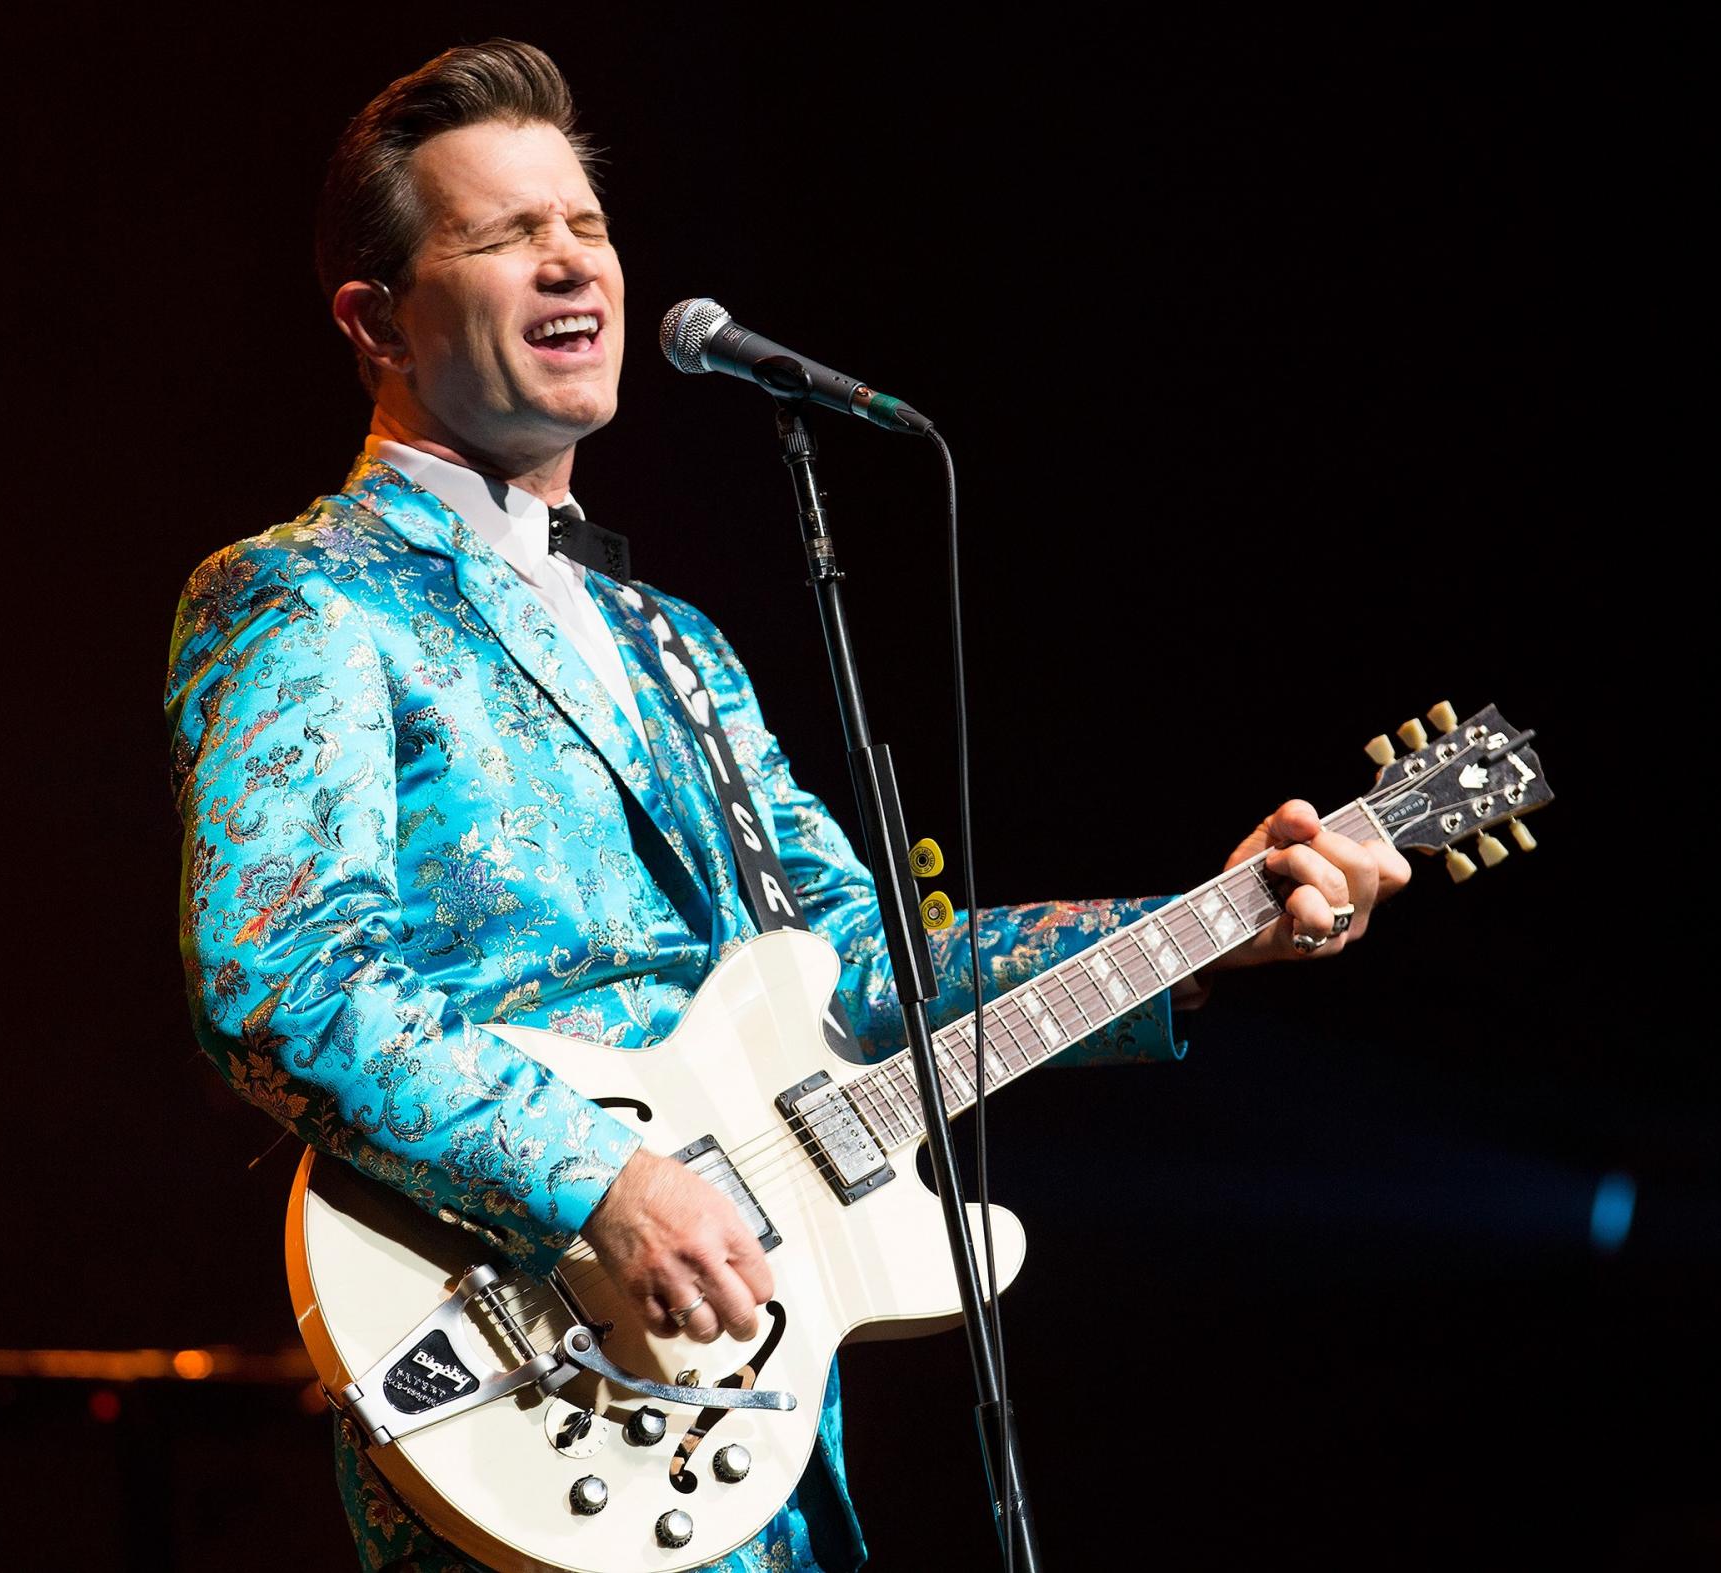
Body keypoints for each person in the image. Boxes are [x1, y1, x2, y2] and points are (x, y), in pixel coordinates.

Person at [165, 39, 1410, 1573]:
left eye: (588, 223)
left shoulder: (673, 643)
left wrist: (1201, 932)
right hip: (533, 1374)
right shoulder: (306, 596)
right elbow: (283, 982)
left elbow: (868, 973)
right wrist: (602, 1178)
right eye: (505, 235)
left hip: (746, 1406)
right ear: (377, 320)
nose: (574, 262)